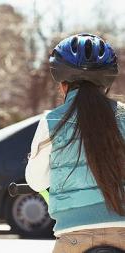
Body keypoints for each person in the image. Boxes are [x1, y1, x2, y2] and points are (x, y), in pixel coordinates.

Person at [25, 33, 125, 253]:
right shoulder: (124, 117)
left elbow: (36, 181)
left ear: (62, 85)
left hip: (74, 236)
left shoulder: (51, 122)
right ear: (106, 85)